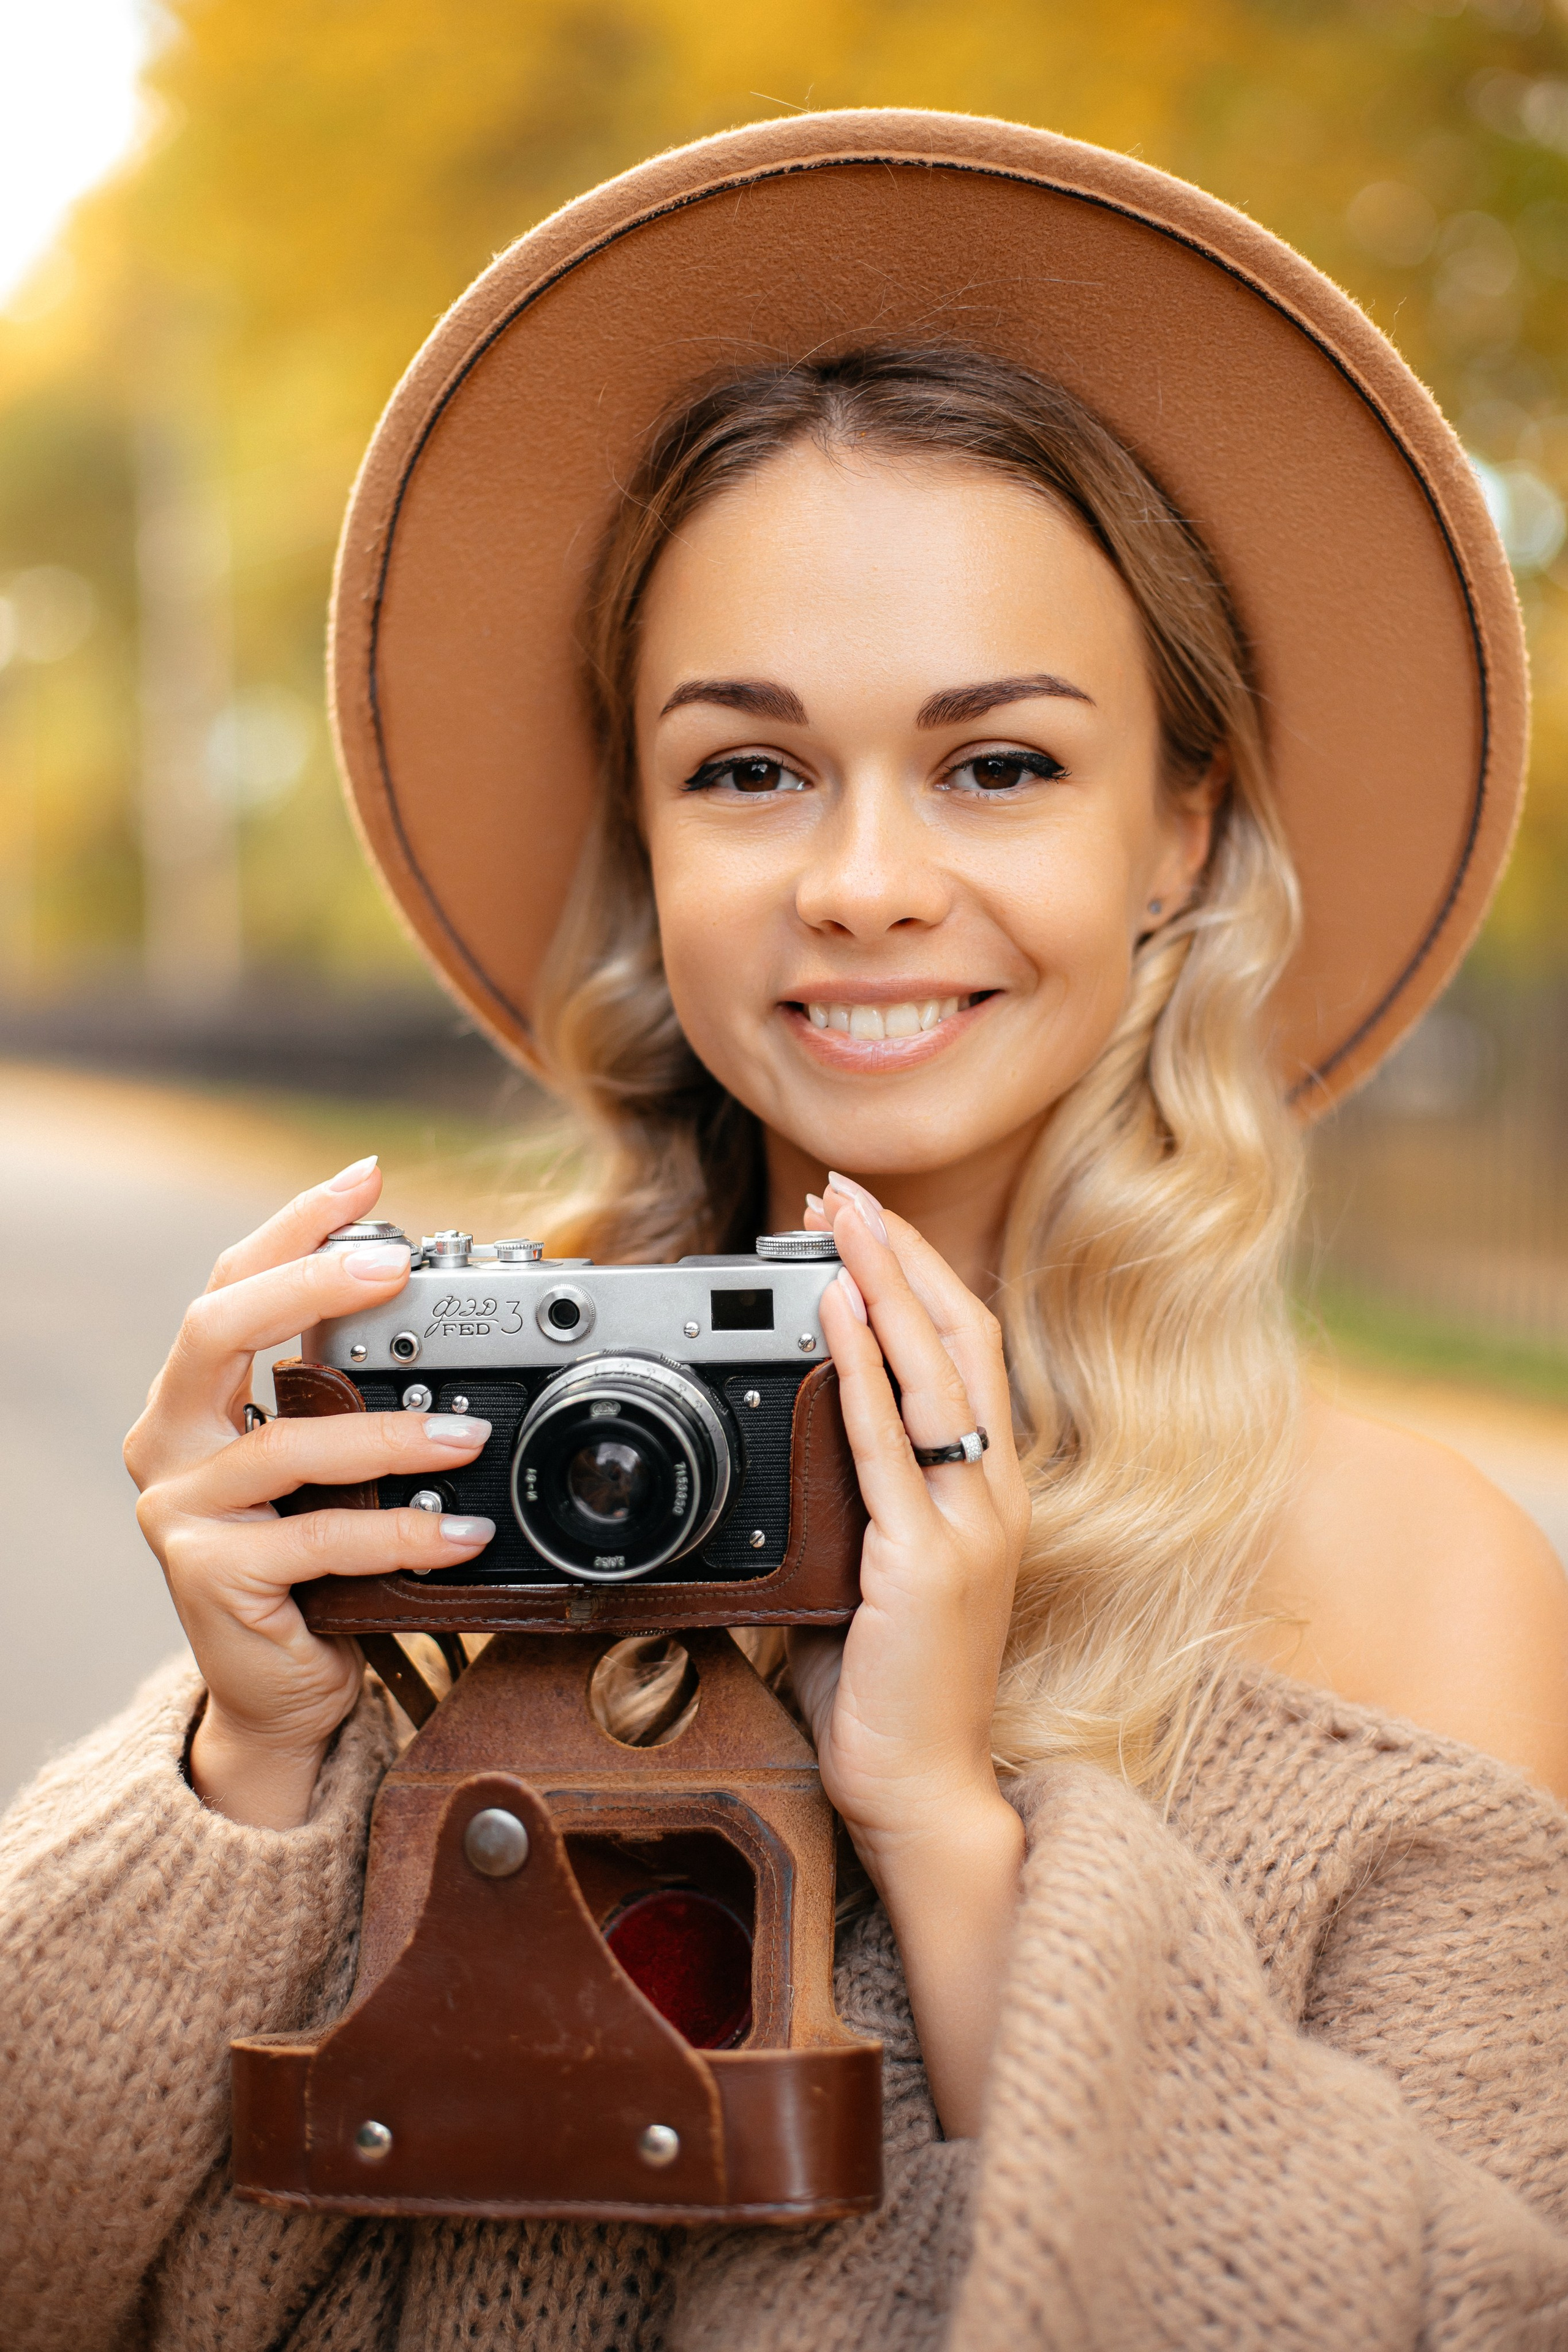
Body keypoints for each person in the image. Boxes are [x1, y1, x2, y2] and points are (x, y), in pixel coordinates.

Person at [5, 110, 1568, 2352]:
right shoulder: (457, 1454)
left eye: (997, 765)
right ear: (648, 844)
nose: (857, 882)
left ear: (1180, 829)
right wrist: (243, 1767)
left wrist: (943, 1828)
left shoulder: (1416, 1584)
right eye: (746, 769)